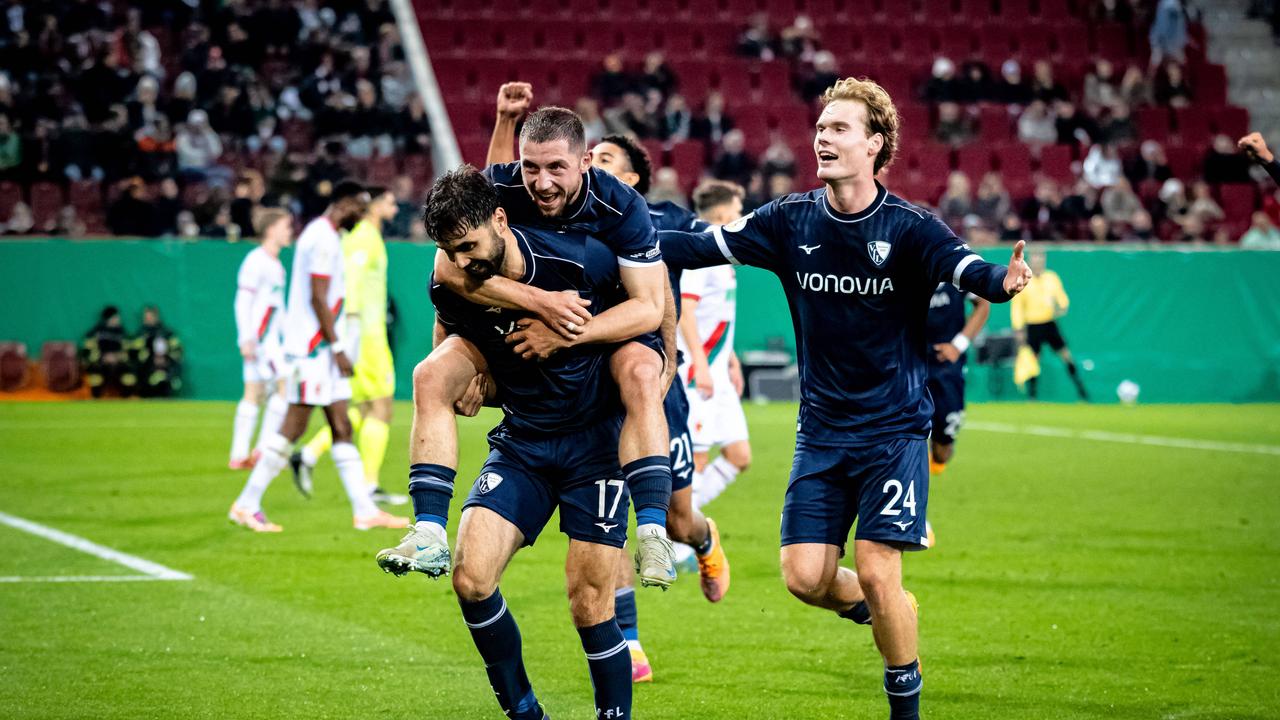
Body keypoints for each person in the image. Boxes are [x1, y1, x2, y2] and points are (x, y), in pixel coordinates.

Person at [657, 77, 1032, 720]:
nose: (823, 138)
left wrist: (1004, 280)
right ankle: (888, 613)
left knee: (880, 567)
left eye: (839, 128)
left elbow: (969, 270)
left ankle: (904, 707)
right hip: (822, 433)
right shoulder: (788, 219)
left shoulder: (911, 227)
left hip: (893, 430)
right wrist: (608, 242)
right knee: (804, 577)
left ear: (874, 145)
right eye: (821, 127)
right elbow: (698, 246)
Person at [387, 167, 638, 719]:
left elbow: (647, 309)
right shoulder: (453, 278)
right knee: (471, 580)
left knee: (590, 605)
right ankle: (525, 712)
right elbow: (449, 322)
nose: (462, 262)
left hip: (593, 447)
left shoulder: (577, 259)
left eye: (470, 246)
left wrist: (575, 327)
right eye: (450, 251)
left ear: (500, 219)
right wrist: (470, 378)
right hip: (523, 443)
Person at [412, 84, 677, 587]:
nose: (542, 182)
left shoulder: (621, 206)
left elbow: (649, 306)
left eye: (557, 167)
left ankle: (655, 533)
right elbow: (453, 261)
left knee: (643, 371)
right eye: (531, 167)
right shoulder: (507, 188)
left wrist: (567, 332)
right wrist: (524, 320)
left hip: (606, 327)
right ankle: (427, 530)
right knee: (431, 373)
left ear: (584, 163)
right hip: (530, 334)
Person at [228, 181, 408, 533]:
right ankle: (246, 504)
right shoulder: (323, 238)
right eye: (360, 206)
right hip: (312, 352)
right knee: (292, 428)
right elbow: (317, 297)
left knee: (341, 426)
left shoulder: (326, 236)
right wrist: (339, 347)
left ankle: (364, 510)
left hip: (321, 352)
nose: (362, 213)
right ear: (343, 203)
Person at [291, 186, 407, 506]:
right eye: (390, 202)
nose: (395, 208)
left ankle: (311, 455)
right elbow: (350, 281)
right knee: (381, 408)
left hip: (365, 331)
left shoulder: (367, 235)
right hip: (365, 333)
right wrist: (349, 332)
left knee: (360, 408)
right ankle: (368, 484)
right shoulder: (365, 236)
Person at [678, 180, 753, 515]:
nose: (742, 217)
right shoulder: (700, 249)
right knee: (697, 458)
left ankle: (681, 525)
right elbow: (686, 313)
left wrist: (731, 361)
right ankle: (679, 543)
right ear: (723, 213)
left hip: (717, 370)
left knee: (739, 456)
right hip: (698, 371)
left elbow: (718, 316)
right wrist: (701, 363)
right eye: (738, 211)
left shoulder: (721, 254)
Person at [922, 272, 991, 547]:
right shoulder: (901, 259)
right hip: (910, 362)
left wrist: (958, 345)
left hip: (947, 367)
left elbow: (983, 303)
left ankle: (935, 461)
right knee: (912, 437)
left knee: (942, 447)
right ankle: (916, 516)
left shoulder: (954, 265)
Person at [229, 208, 292, 470]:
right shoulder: (256, 261)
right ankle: (263, 450)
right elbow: (243, 300)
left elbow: (277, 308)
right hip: (262, 340)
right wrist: (247, 337)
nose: (290, 231)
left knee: (253, 394)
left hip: (268, 339)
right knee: (284, 387)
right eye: (286, 226)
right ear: (271, 230)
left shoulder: (275, 264)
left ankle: (239, 454)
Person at [1011, 251, 1088, 401]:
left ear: (1044, 260)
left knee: (1067, 356)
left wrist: (1058, 309)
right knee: (1033, 362)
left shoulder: (1052, 278)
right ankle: (1032, 397)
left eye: (1040, 258)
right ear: (1030, 261)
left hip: (1050, 323)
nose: (1038, 262)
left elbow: (1063, 303)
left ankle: (1082, 392)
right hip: (1032, 325)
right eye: (1035, 258)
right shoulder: (1024, 279)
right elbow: (1017, 307)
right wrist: (1018, 329)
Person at [129, 306, 184, 397]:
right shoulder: (141, 334)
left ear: (156, 317)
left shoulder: (167, 333)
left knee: (167, 383)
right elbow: (133, 352)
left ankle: (171, 381)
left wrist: (166, 359)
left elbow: (177, 350)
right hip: (147, 368)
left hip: (166, 367)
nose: (148, 320)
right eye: (146, 318)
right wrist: (149, 357)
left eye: (150, 317)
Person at [81, 306, 133, 398]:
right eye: (116, 317)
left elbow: (128, 350)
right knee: (95, 376)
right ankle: (96, 399)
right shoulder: (96, 332)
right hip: (100, 363)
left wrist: (118, 357)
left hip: (118, 364)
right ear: (109, 318)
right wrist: (102, 357)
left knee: (128, 376)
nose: (118, 319)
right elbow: (87, 351)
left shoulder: (122, 332)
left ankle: (126, 400)